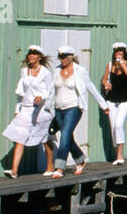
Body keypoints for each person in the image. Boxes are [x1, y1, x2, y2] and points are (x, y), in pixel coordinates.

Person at [45, 45, 108, 178]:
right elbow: (51, 90)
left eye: (64, 57)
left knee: (65, 135)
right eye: (59, 57)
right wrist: (47, 106)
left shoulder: (79, 71)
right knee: (67, 137)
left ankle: (59, 168)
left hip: (74, 107)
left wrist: (104, 105)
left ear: (70, 57)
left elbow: (91, 88)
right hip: (59, 108)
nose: (61, 59)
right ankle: (80, 159)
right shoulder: (56, 71)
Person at [2, 44, 54, 178]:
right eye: (29, 53)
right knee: (19, 137)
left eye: (34, 54)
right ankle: (14, 170)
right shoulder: (24, 71)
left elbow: (50, 91)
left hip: (41, 110)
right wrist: (17, 108)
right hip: (26, 109)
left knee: (45, 138)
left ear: (40, 57)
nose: (31, 56)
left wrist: (41, 97)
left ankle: (50, 165)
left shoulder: (45, 73)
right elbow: (21, 92)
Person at [101, 42, 127, 165]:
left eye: (121, 51)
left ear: (124, 52)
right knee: (113, 127)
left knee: (119, 125)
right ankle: (117, 154)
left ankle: (120, 155)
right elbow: (104, 78)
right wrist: (105, 84)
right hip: (112, 99)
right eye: (116, 51)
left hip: (125, 99)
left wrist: (122, 64)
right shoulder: (110, 65)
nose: (118, 53)